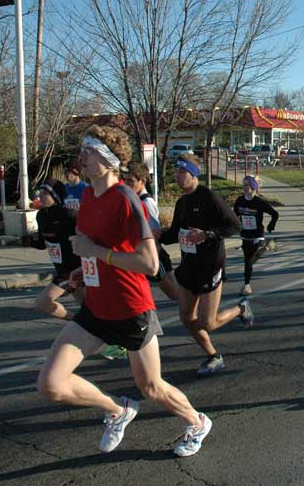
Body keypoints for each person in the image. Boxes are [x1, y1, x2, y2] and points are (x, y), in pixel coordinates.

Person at [37, 124, 211, 458]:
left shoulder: (126, 199)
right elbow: (96, 248)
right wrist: (81, 271)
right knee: (52, 384)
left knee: (152, 387)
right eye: (82, 150)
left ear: (108, 159)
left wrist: (95, 252)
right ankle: (117, 410)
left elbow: (149, 264)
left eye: (88, 151)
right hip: (97, 308)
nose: (80, 157)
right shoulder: (88, 195)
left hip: (132, 309)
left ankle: (197, 421)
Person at [159, 154, 251, 377]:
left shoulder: (210, 197)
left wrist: (208, 234)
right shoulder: (182, 203)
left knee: (207, 323)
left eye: (182, 173)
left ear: (193, 174)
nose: (178, 177)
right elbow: (174, 234)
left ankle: (241, 308)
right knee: (186, 318)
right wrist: (155, 236)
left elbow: (235, 225)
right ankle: (213, 356)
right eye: (177, 173)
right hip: (188, 267)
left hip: (210, 266)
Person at [23, 177, 82, 321]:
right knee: (91, 311)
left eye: (45, 193)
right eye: (40, 193)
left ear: (55, 196)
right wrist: (28, 240)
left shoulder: (70, 215)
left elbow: (87, 238)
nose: (40, 196)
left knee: (42, 303)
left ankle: (78, 323)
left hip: (76, 270)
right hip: (62, 270)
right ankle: (82, 325)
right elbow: (44, 243)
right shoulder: (41, 215)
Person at [123, 162, 180, 302]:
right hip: (145, 255)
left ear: (142, 181)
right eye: (125, 180)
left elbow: (154, 233)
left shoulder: (146, 202)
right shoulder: (133, 200)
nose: (126, 184)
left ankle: (197, 315)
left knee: (175, 295)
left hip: (155, 255)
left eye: (131, 181)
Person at [233, 175, 279, 295]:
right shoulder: (240, 200)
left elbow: (275, 214)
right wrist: (234, 225)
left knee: (248, 261)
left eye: (247, 185)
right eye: (243, 185)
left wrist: (271, 226)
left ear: (254, 187)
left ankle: (246, 286)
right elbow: (235, 215)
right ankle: (267, 247)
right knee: (249, 260)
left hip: (257, 234)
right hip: (245, 234)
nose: (244, 188)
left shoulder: (259, 202)